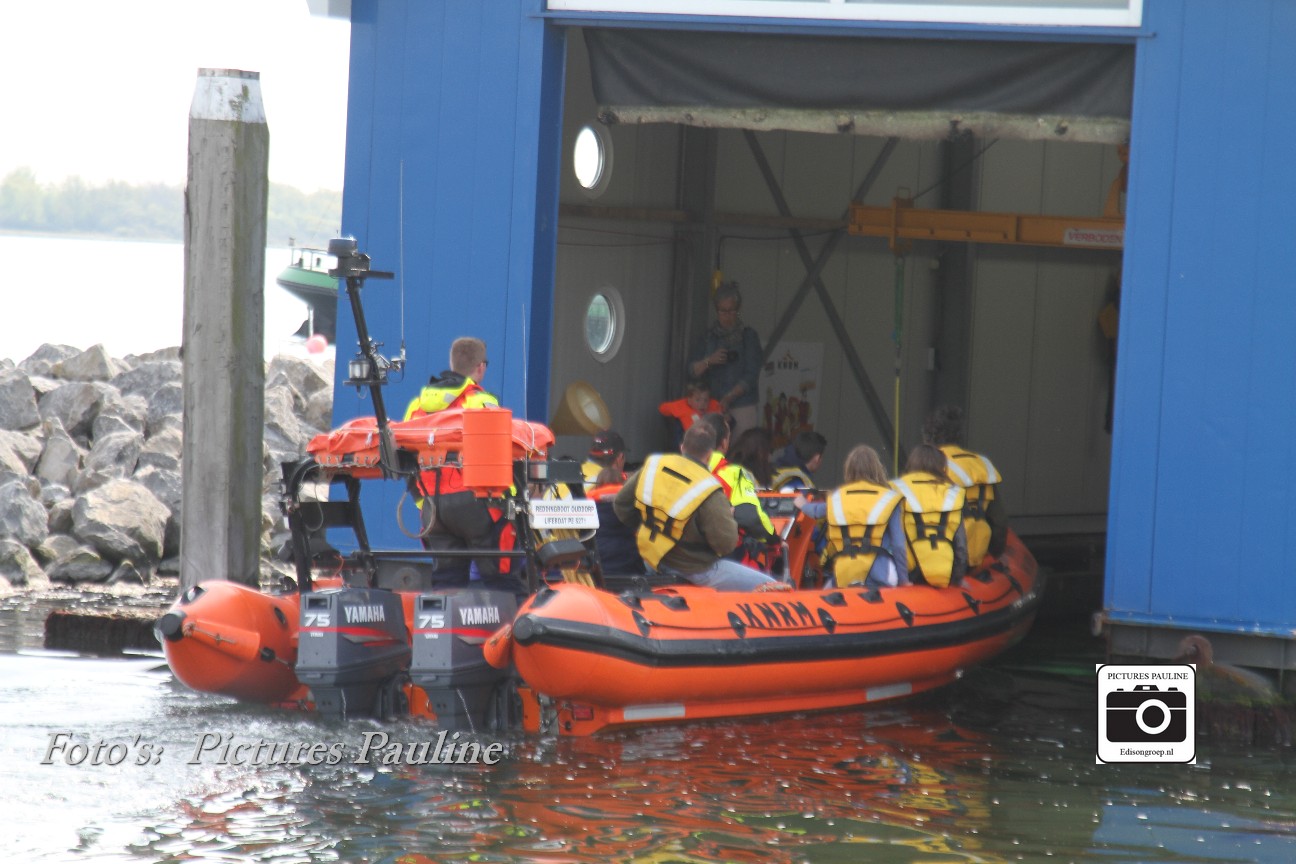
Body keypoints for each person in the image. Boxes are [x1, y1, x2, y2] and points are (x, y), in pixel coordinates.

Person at [403, 337, 520, 593]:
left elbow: (405, 461)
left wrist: (423, 504)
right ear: (481, 367)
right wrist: (512, 501)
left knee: (446, 582)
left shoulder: (416, 406)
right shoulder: (480, 402)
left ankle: (443, 619)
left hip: (433, 509)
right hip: (475, 503)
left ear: (452, 363)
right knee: (502, 580)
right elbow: (500, 456)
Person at [613, 423, 782, 592]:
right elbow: (726, 544)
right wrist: (729, 518)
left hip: (651, 559)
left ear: (682, 447)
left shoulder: (653, 466)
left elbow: (621, 505)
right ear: (709, 456)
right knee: (772, 586)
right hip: (695, 570)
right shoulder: (709, 488)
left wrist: (647, 526)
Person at [798, 444, 909, 589]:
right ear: (877, 469)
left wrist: (801, 504)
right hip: (882, 573)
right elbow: (899, 545)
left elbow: (815, 511)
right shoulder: (889, 499)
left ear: (848, 470)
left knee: (826, 590)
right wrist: (904, 580)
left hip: (844, 573)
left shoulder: (837, 498)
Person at [921, 405, 1007, 564]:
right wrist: (997, 553)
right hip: (977, 553)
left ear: (928, 438)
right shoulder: (983, 465)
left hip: (944, 557)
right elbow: (999, 521)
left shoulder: (930, 467)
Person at [688, 283, 763, 439]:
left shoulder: (748, 336)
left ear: (738, 310)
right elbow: (691, 371)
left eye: (732, 311)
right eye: (723, 311)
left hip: (742, 405)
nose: (728, 316)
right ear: (717, 311)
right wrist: (709, 361)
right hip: (711, 405)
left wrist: (730, 397)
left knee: (742, 448)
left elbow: (752, 374)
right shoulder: (708, 337)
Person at [892, 443, 969, 588]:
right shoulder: (953, 493)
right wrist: (957, 578)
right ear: (941, 466)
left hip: (909, 572)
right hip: (943, 570)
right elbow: (961, 546)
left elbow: (893, 540)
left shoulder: (895, 489)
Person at [717, 427, 780, 567]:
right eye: (769, 452)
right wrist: (774, 538)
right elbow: (751, 516)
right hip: (735, 551)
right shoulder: (741, 474)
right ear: (761, 453)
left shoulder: (722, 468)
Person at [588, 466, 644, 575]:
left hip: (600, 570)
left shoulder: (587, 510)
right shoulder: (634, 506)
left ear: (598, 484)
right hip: (630, 568)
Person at [658, 380, 722, 446]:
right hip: (689, 443)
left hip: (709, 443)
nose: (702, 404)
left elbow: (722, 412)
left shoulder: (713, 406)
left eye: (705, 400)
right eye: (698, 400)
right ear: (689, 400)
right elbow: (662, 409)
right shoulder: (681, 406)